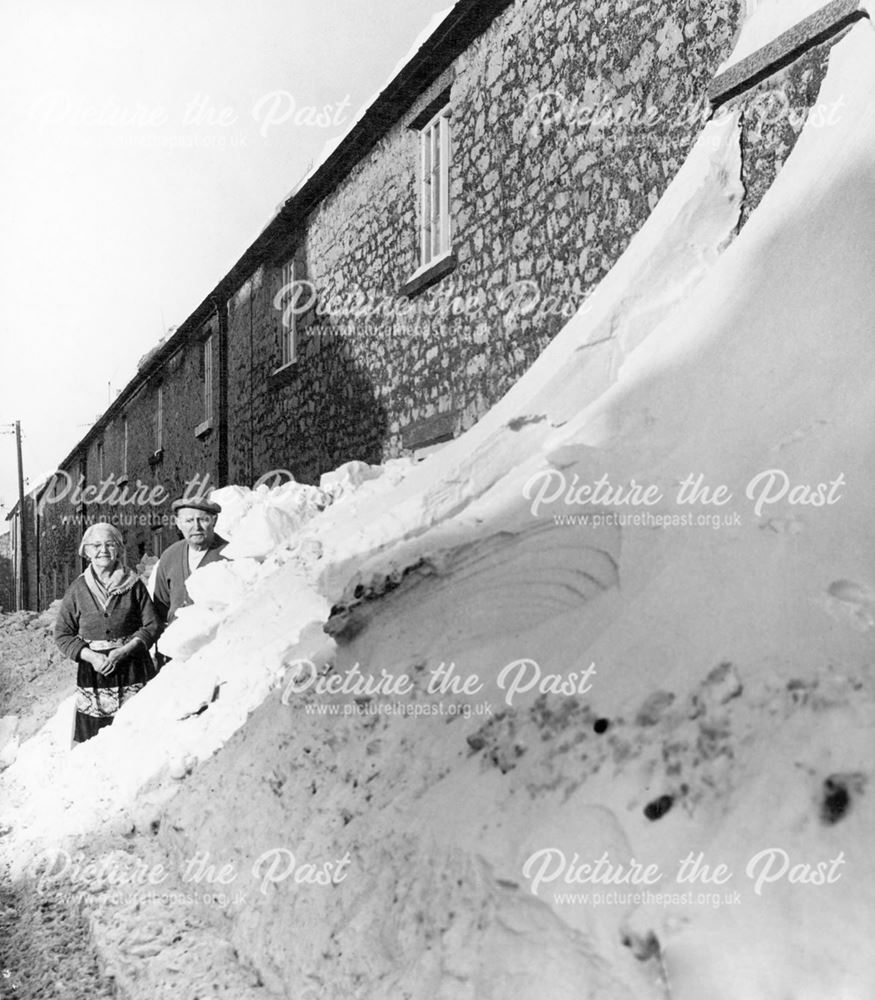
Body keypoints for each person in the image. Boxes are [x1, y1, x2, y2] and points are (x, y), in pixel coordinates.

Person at [55, 522, 163, 744]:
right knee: (95, 745)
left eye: (109, 544)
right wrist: (93, 657)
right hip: (94, 674)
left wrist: (125, 650)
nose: (103, 550)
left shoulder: (134, 585)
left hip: (134, 668)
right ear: (86, 552)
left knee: (138, 737)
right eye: (96, 545)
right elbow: (63, 635)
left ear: (119, 549)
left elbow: (152, 625)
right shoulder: (77, 589)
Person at [152, 495, 228, 629]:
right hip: (176, 642)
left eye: (203, 520)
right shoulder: (169, 556)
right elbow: (160, 608)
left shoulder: (229, 555)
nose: (196, 527)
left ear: (214, 521)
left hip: (215, 642)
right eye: (189, 521)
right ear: (178, 523)